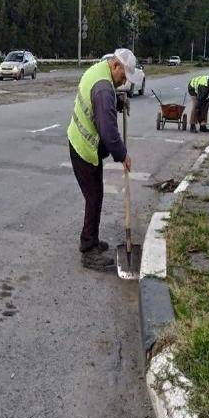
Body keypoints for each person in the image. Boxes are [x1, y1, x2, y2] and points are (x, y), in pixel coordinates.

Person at [67, 48, 137, 271]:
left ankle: (93, 240)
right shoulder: (104, 89)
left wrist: (117, 102)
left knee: (95, 194)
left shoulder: (99, 70)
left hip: (82, 143)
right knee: (94, 196)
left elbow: (100, 105)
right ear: (115, 66)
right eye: (123, 76)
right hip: (83, 148)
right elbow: (108, 132)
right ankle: (88, 250)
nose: (124, 81)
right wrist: (122, 154)